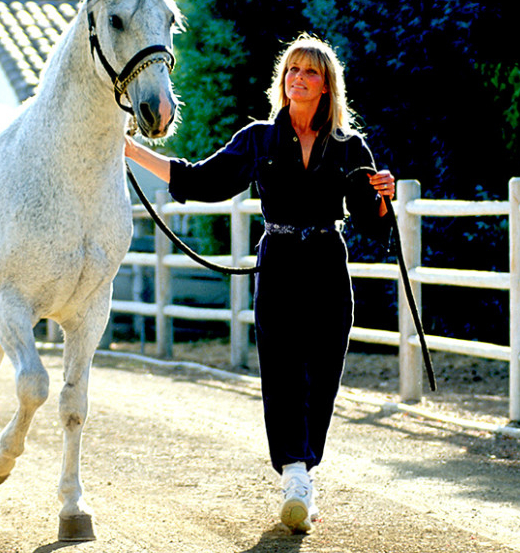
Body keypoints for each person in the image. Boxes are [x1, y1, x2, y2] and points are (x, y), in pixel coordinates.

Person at [124, 34, 396, 533]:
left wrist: (382, 194)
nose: (299, 78)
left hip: (328, 265)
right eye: (292, 70)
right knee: (282, 373)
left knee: (323, 376)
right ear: (283, 81)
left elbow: (373, 222)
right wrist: (130, 149)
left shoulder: (349, 146)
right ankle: (296, 478)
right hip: (279, 264)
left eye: (310, 72)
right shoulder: (258, 139)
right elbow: (199, 180)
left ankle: (303, 473)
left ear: (326, 84)